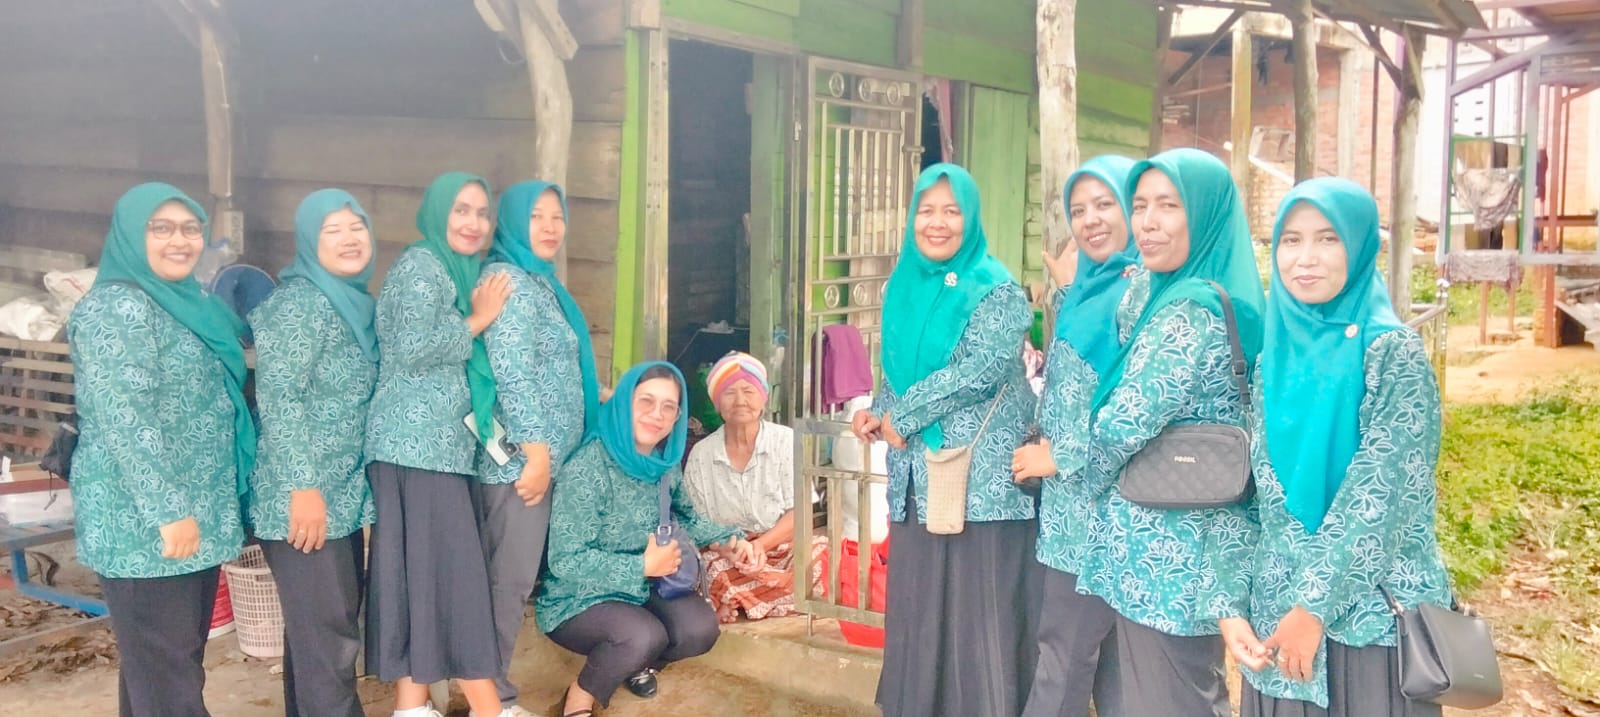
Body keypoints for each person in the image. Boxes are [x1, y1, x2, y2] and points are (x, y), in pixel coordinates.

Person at [1220, 178, 1453, 716]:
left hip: (1372, 625)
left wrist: (1313, 608)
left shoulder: (1391, 353)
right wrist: (1230, 604)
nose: (1305, 257)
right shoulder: (1270, 362)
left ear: (1359, 246)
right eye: (1291, 239)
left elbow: (1382, 497)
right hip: (1278, 627)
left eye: (1328, 239)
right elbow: (1250, 498)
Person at [1065, 148, 1265, 716]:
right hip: (1194, 542)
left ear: (1203, 214)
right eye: (1140, 206)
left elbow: (1123, 422)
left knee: (1168, 699)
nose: (1147, 223)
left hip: (1165, 555)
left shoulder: (1187, 312)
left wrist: (1082, 476)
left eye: (1169, 206)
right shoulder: (1211, 292)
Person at [851, 163, 1041, 717]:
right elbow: (899, 366)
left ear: (971, 218)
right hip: (917, 478)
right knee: (920, 606)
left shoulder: (997, 290)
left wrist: (903, 416)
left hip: (978, 484)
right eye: (927, 211)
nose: (937, 223)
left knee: (977, 617)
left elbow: (979, 371)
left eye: (952, 211)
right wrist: (877, 412)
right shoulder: (903, 284)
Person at [67, 182, 254, 717]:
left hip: (193, 514)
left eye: (191, 229)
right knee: (168, 672)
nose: (180, 240)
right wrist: (169, 512)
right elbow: (127, 419)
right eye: (161, 228)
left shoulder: (187, 303)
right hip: (144, 525)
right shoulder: (117, 308)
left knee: (163, 666)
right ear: (131, 235)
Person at [363, 172, 515, 717]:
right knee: (454, 580)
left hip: (435, 452)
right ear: (437, 213)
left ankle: (410, 707)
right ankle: (489, 708)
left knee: (422, 580)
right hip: (415, 449)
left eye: (481, 212)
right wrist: (479, 319)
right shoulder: (421, 266)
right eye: (461, 210)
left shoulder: (450, 270)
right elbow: (410, 348)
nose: (473, 223)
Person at [539, 362, 761, 717]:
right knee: (643, 635)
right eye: (646, 401)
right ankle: (581, 695)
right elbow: (565, 559)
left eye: (668, 407)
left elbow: (684, 516)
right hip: (578, 597)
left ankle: (633, 664)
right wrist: (641, 565)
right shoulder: (588, 467)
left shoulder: (663, 464)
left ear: (677, 417)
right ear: (624, 403)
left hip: (646, 587)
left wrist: (729, 540)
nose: (656, 414)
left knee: (699, 629)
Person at [1012, 155, 1143, 717]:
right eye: (1080, 209)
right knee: (1099, 666)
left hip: (1105, 515)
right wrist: (1065, 293)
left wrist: (1058, 458)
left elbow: (1139, 412)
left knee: (1064, 662)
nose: (1090, 220)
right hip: (1072, 516)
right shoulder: (1090, 289)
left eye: (1105, 204)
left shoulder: (1143, 295)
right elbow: (1071, 384)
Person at [249, 189, 380, 717]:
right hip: (302, 499)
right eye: (333, 230)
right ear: (309, 241)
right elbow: (279, 398)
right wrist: (303, 488)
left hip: (338, 495)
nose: (349, 239)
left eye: (356, 227)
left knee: (317, 637)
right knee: (329, 641)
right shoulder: (299, 304)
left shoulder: (353, 302)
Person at [476, 180, 601, 716]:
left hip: (541, 460)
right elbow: (514, 375)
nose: (550, 227)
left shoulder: (540, 281)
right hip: (520, 465)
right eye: (537, 216)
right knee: (507, 581)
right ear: (512, 221)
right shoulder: (509, 281)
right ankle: (492, 699)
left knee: (514, 578)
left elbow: (553, 368)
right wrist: (539, 454)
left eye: (557, 216)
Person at [683, 351, 826, 623]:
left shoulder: (786, 441)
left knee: (822, 554)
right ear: (717, 403)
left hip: (779, 545)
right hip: (728, 552)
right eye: (729, 393)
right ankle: (775, 597)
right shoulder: (702, 454)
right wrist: (733, 548)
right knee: (709, 568)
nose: (740, 401)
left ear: (763, 398)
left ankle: (738, 600)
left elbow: (801, 512)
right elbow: (695, 523)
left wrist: (761, 545)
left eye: (748, 391)